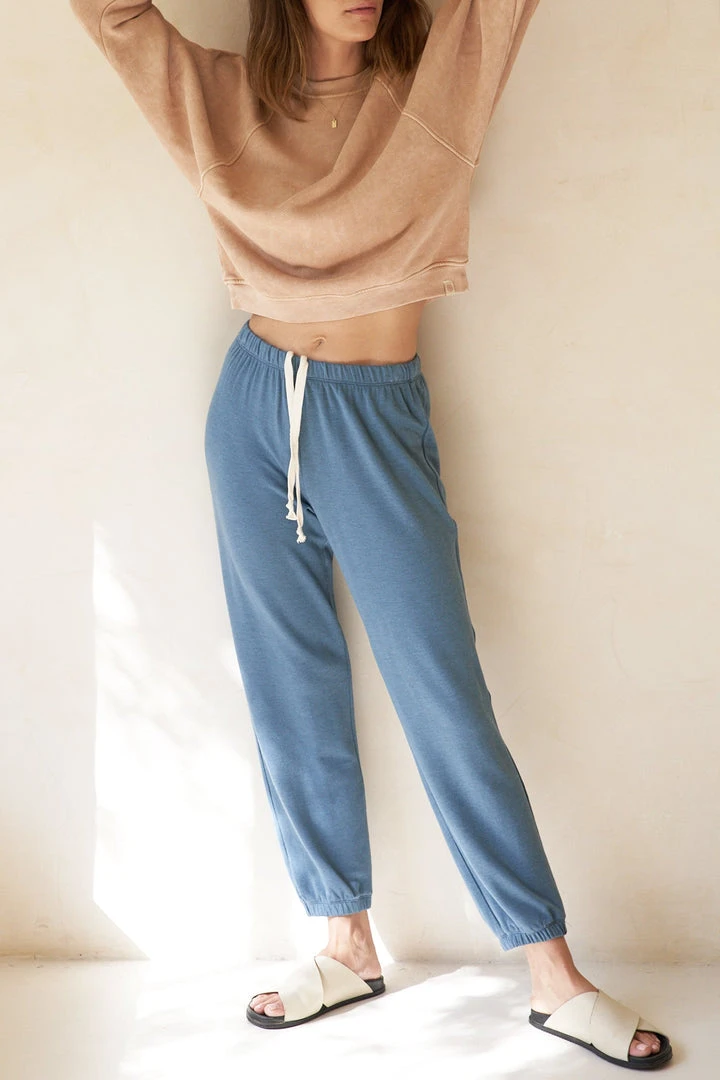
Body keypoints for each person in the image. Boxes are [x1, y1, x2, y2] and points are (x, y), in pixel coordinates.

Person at [69, 0, 673, 1068]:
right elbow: (112, 15)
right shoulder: (219, 98)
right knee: (286, 679)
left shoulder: (439, 75)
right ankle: (343, 941)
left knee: (443, 695)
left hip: (372, 418)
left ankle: (552, 972)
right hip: (250, 411)